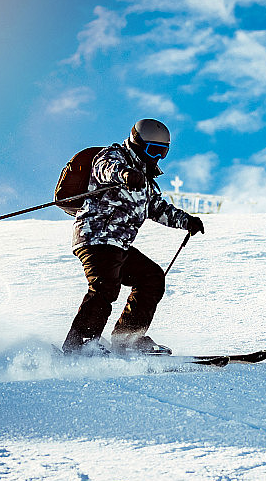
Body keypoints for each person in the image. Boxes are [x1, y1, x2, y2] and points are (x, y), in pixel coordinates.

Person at [61, 119, 204, 355]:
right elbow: (107, 169)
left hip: (119, 245)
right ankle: (80, 346)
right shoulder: (113, 156)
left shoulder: (146, 181)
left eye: (163, 152)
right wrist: (125, 173)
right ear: (137, 143)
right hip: (96, 237)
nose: (157, 157)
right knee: (105, 287)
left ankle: (127, 339)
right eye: (153, 150)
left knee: (152, 278)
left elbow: (158, 209)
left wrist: (186, 221)